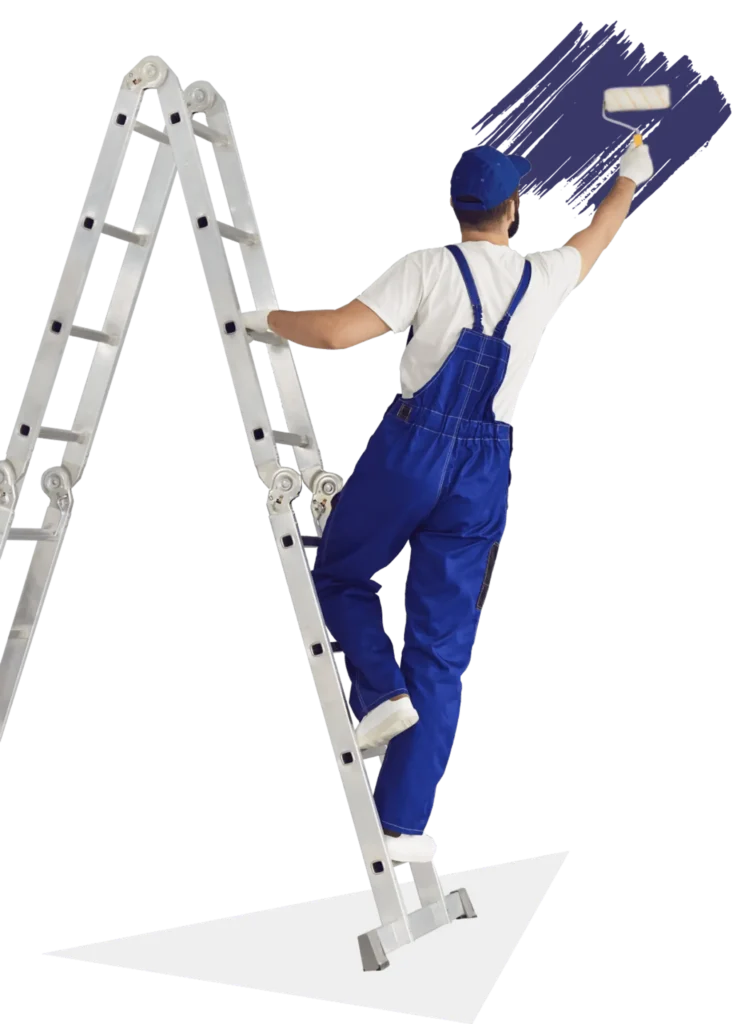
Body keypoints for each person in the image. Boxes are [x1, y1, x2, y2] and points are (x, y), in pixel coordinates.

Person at [244, 141, 655, 863]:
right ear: (513, 211)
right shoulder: (542, 274)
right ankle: (402, 826)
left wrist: (266, 320)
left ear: (454, 208)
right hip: (485, 467)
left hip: (412, 450)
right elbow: (601, 230)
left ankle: (380, 692)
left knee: (338, 572)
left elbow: (338, 334)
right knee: (440, 650)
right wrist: (629, 173)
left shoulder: (429, 264)